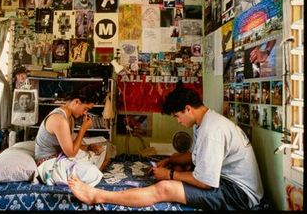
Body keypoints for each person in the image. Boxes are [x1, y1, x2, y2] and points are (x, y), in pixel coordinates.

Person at [68, 85, 264, 210]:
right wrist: (170, 161)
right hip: (227, 182)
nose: (178, 122)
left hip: (239, 195)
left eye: (177, 116)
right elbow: (195, 157)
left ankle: (97, 196)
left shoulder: (212, 131)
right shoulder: (206, 121)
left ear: (188, 108)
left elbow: (205, 183)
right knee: (179, 167)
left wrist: (169, 176)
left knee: (163, 188)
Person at [34, 84, 103, 166]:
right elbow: (71, 153)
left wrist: (89, 147)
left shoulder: (69, 117)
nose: (85, 113)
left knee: (98, 157)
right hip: (46, 163)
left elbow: (69, 146)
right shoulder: (59, 119)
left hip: (58, 157)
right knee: (94, 167)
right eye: (86, 109)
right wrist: (83, 129)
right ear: (76, 102)